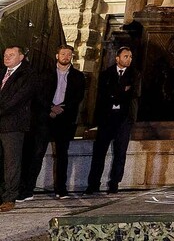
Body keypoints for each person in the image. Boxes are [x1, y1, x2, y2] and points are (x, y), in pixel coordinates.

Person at [18, 44, 85, 200]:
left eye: (69, 54)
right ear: (57, 55)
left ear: (72, 56)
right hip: (45, 118)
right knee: (37, 153)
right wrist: (50, 108)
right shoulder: (44, 74)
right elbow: (38, 95)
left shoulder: (78, 76)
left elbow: (78, 97)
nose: (65, 57)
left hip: (65, 119)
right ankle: (28, 190)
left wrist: (62, 108)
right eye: (63, 54)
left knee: (62, 155)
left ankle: (61, 190)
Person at [85, 46, 140, 195]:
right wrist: (122, 91)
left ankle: (114, 183)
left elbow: (134, 93)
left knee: (120, 153)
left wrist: (115, 93)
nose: (129, 59)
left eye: (130, 57)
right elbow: (104, 93)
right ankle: (93, 184)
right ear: (117, 58)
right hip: (107, 118)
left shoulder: (135, 75)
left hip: (124, 119)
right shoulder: (106, 74)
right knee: (99, 152)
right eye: (126, 56)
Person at [0, 46, 35, 212]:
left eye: (11, 55)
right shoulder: (2, 72)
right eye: (5, 54)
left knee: (11, 163)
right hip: (1, 123)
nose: (7, 57)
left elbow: (15, 100)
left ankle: (10, 197)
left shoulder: (27, 75)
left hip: (13, 125)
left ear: (21, 57)